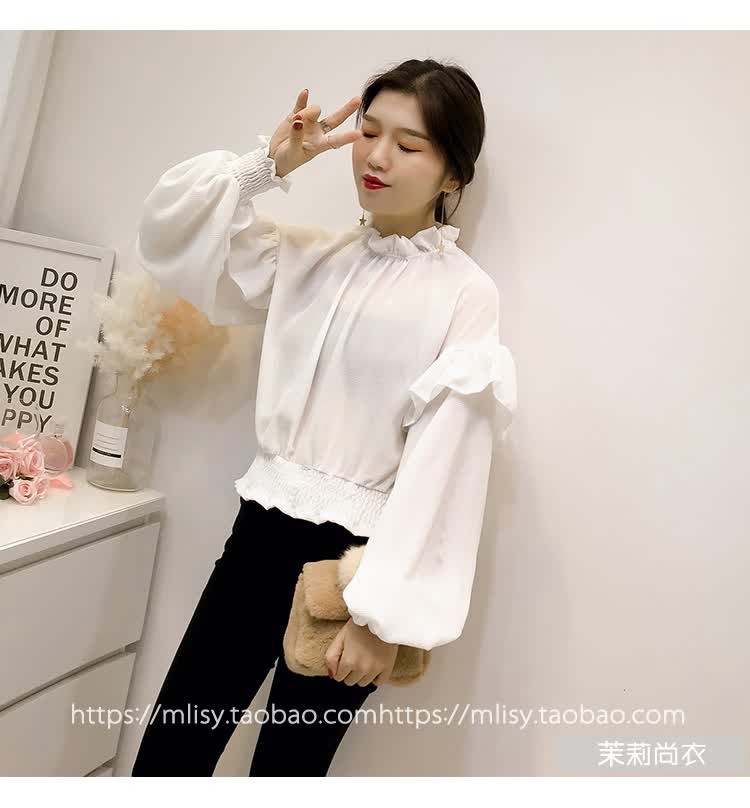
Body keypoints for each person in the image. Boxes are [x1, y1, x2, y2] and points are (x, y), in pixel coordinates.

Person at [130, 58, 517, 777]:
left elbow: (448, 463)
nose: (376, 156)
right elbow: (173, 238)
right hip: (258, 535)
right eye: (369, 133)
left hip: (353, 567)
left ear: (453, 174)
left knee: (288, 773)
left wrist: (381, 616)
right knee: (169, 756)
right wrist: (268, 166)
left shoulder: (466, 294)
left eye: (408, 144)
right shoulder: (309, 256)